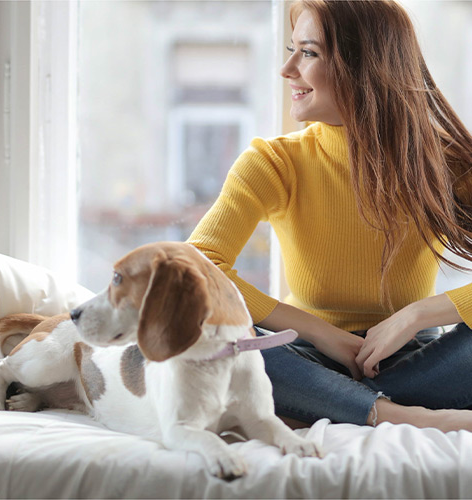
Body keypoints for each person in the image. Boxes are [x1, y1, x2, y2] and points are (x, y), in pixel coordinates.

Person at [187, 0, 472, 432]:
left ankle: (323, 404)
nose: (287, 70)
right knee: (202, 338)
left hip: (418, 360)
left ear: (365, 66)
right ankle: (394, 414)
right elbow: (196, 267)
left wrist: (416, 316)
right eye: (291, 49)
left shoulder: (445, 162)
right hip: (303, 357)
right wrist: (320, 333)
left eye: (309, 52)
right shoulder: (273, 162)